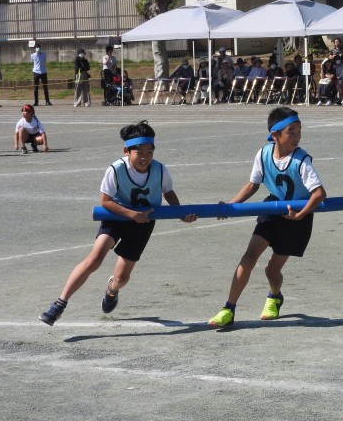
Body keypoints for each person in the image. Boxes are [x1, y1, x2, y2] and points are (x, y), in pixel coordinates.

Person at [39, 120, 198, 326]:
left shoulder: (159, 170)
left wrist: (180, 213)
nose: (145, 157)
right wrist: (131, 214)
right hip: (116, 217)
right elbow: (105, 201)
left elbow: (168, 192)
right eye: (139, 152)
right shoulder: (116, 169)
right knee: (94, 259)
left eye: (150, 152)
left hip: (143, 223)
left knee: (122, 277)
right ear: (126, 151)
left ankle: (112, 290)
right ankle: (59, 304)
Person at [208, 107, 327, 328]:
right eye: (291, 132)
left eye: (299, 131)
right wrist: (231, 205)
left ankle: (274, 297)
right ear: (275, 135)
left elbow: (319, 194)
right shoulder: (263, 154)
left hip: (297, 220)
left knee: (272, 270)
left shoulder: (302, 160)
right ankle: (228, 308)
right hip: (272, 210)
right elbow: (253, 184)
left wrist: (301, 214)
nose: (296, 137)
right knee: (248, 258)